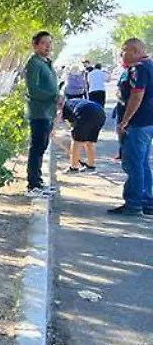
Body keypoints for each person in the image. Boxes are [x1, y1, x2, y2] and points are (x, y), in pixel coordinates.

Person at [112, 38, 153, 216]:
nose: (122, 54)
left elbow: (137, 95)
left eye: (124, 50)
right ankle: (145, 201)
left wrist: (125, 120)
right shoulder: (149, 66)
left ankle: (134, 203)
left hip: (138, 123)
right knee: (142, 163)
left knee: (134, 163)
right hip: (147, 122)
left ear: (135, 51)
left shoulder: (139, 69)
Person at [24, 31, 60, 197]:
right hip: (39, 112)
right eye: (44, 43)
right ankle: (33, 184)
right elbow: (33, 89)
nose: (48, 46)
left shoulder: (46, 63)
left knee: (42, 147)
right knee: (37, 147)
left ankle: (38, 181)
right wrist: (53, 96)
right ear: (35, 45)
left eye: (50, 43)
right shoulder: (34, 63)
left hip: (48, 112)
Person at [60, 98, 105, 172]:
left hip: (85, 112)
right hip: (100, 112)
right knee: (90, 141)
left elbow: (69, 124)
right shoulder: (72, 102)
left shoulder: (64, 108)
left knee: (76, 141)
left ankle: (73, 167)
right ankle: (91, 166)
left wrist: (52, 131)